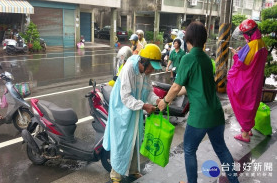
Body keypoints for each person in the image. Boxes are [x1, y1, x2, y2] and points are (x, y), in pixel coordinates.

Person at [158, 21, 239, 183]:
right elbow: (189, 87)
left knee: (189, 150)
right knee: (222, 149)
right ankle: (234, 181)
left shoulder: (189, 59)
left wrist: (164, 102)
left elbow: (175, 87)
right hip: (216, 113)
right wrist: (172, 95)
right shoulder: (207, 60)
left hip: (200, 116)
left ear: (188, 40)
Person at [103, 44, 162, 183]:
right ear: (144, 62)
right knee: (121, 141)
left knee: (136, 139)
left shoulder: (145, 73)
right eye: (151, 67)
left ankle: (134, 170)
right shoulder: (129, 68)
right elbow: (126, 97)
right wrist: (144, 106)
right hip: (122, 110)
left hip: (135, 110)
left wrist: (156, 100)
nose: (152, 70)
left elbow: (148, 91)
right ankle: (115, 175)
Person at [228, 19, 268, 143]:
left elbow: (240, 64)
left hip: (247, 81)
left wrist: (235, 54)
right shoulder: (262, 43)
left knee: (243, 105)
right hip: (256, 81)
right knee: (252, 105)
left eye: (245, 34)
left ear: (249, 34)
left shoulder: (251, 46)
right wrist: (242, 52)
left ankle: (245, 134)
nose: (244, 37)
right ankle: (248, 129)